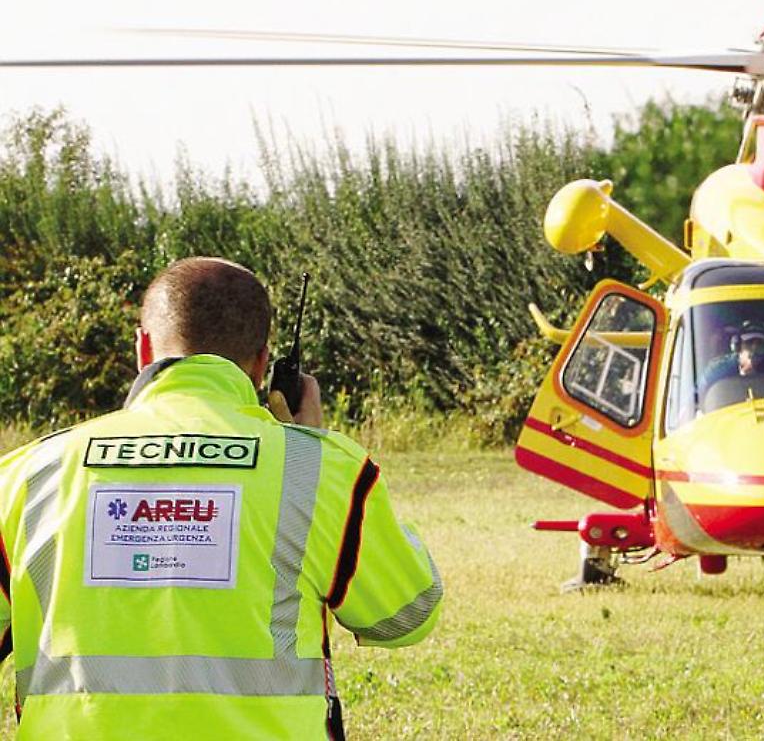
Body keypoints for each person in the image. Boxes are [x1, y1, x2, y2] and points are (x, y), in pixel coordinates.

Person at [0, 257, 442, 739]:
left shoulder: (27, 473)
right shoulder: (321, 469)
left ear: (143, 347)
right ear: (263, 362)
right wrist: (313, 446)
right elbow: (406, 615)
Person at [698, 321, 764, 391]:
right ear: (737, 346)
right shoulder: (717, 370)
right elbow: (697, 396)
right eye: (749, 342)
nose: (754, 348)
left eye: (760, 344)